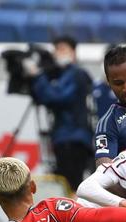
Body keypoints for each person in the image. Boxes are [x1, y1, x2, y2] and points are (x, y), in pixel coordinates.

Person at [23, 35, 94, 194]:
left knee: (72, 185)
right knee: (65, 185)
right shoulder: (59, 75)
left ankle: (73, 216)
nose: (58, 53)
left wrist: (38, 75)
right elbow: (44, 98)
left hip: (74, 138)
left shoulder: (77, 74)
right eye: (56, 49)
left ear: (74, 52)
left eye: (63, 49)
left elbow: (58, 97)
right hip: (63, 137)